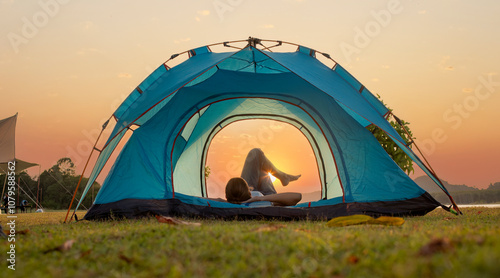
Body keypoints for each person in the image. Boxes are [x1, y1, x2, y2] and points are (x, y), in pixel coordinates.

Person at [225, 148, 302, 206]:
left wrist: (228, 201)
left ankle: (284, 177)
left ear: (226, 196)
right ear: (248, 190)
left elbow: (214, 201)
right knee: (256, 153)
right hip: (267, 196)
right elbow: (297, 197)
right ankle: (284, 177)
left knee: (260, 164)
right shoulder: (264, 203)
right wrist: (260, 198)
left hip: (241, 197)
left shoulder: (228, 202)